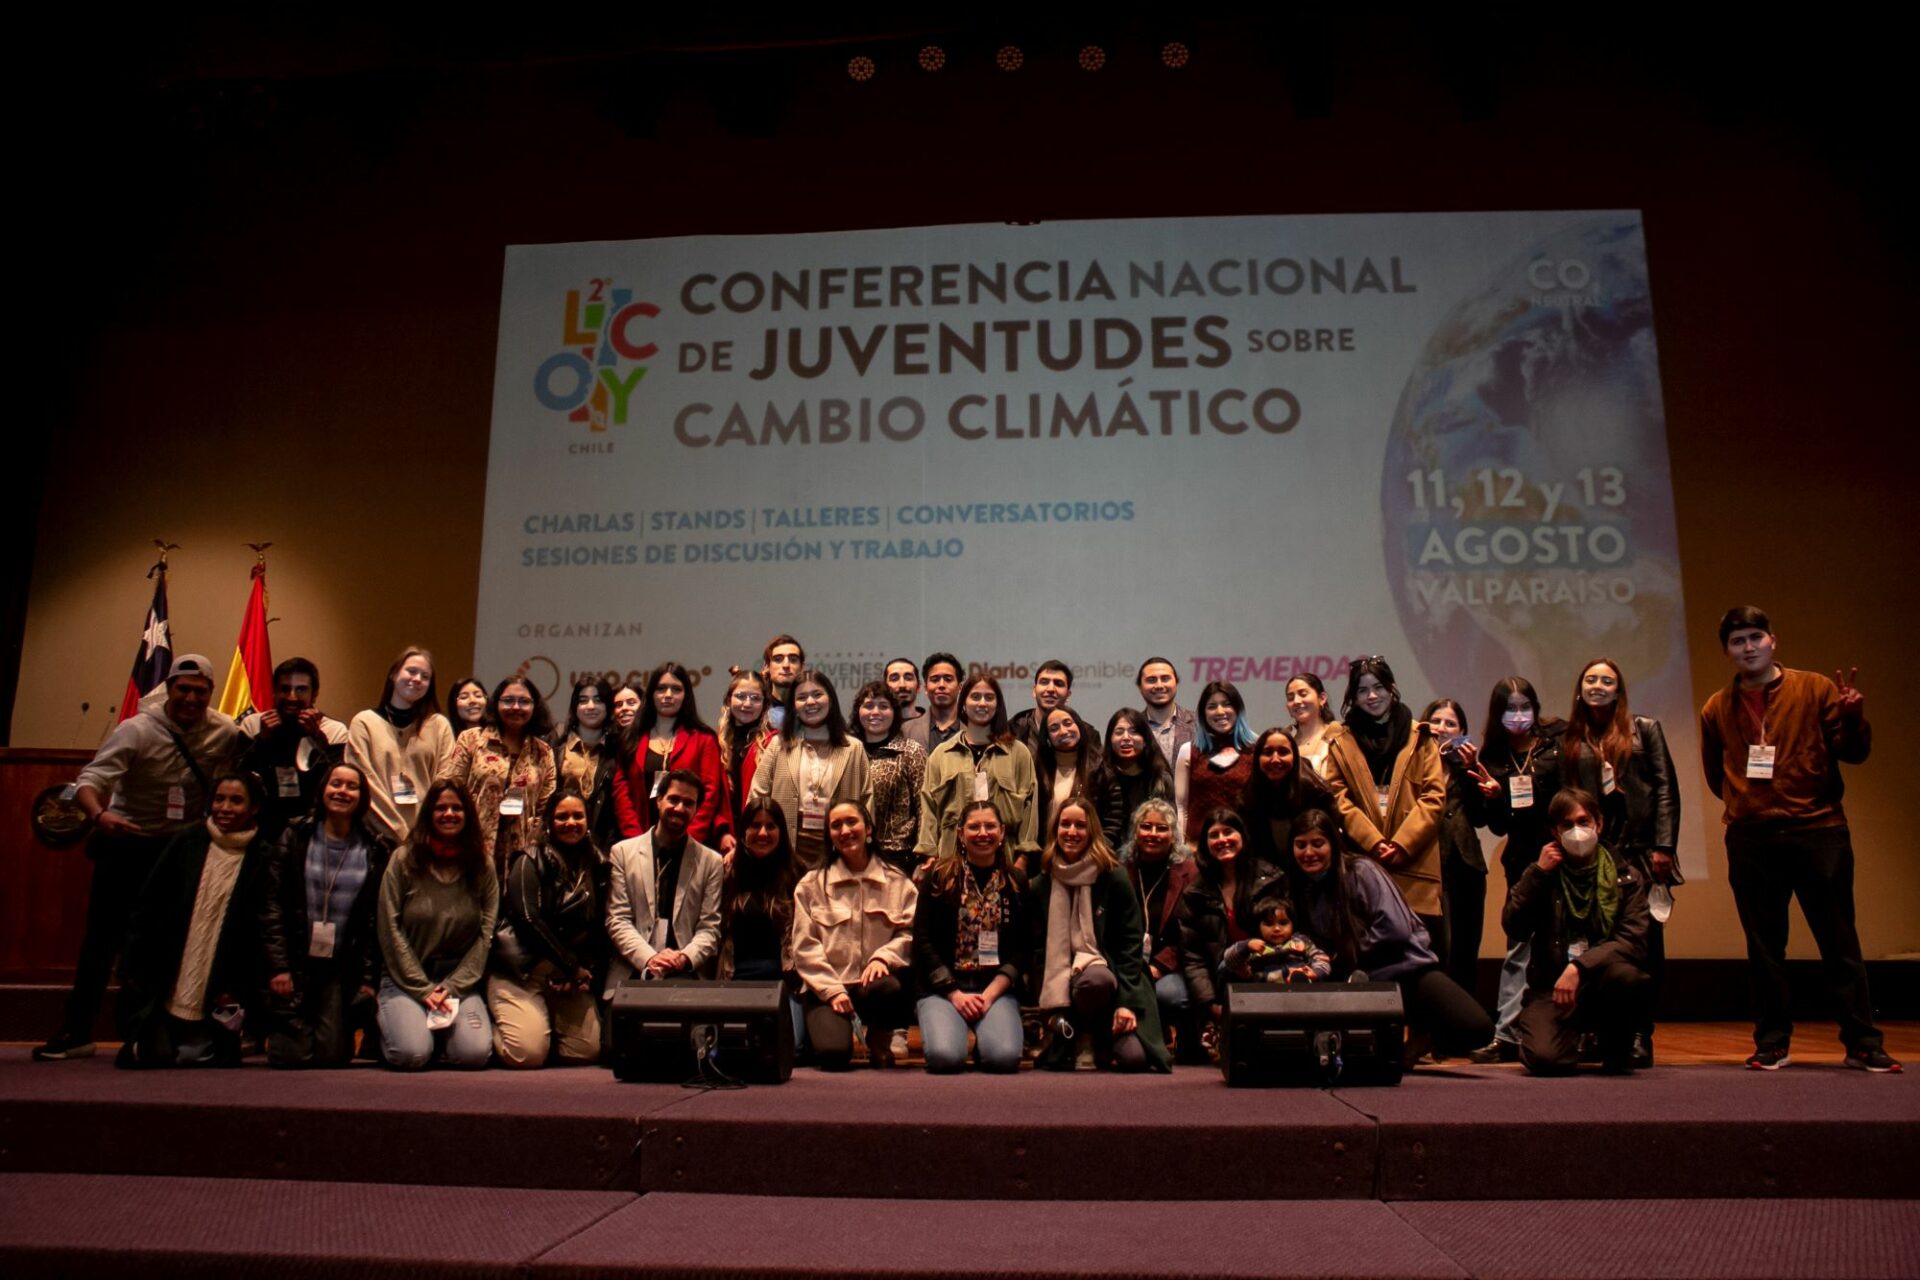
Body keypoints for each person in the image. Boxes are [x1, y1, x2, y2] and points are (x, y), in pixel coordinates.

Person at [1701, 606, 1896, 1072]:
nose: (1748, 647)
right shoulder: (1715, 707)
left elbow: (1854, 753)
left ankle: (1863, 1042)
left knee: (1839, 941)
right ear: (1727, 651)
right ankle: (1771, 1042)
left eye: (1755, 637)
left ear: (1773, 640)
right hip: (1751, 837)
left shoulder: (1815, 688)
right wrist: (1747, 801)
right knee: (1764, 948)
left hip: (1818, 830)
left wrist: (1852, 718)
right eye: (1737, 641)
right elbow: (1716, 775)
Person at [37, 653, 240, 1061]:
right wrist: (100, 815)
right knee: (102, 941)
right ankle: (76, 1031)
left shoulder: (224, 731)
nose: (190, 698)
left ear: (211, 693)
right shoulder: (136, 730)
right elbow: (89, 782)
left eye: (200, 691)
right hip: (129, 842)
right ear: (168, 688)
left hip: (181, 851)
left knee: (168, 944)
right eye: (183, 689)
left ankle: (154, 1030)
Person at [1285, 808, 1494, 1063]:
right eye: (1300, 845)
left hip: (1407, 971)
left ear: (1333, 843)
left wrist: (1347, 953)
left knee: (1478, 1029)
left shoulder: (1362, 870)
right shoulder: (1301, 891)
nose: (1309, 853)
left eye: (1318, 844)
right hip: (1355, 984)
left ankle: (1422, 1031)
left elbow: (1396, 929)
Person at [1561, 658, 1680, 1067]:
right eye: (1590, 679)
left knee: (1645, 949)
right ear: (1580, 689)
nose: (1598, 685)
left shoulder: (1644, 730)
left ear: (1618, 690)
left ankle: (1639, 1034)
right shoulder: (1571, 737)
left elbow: (1666, 788)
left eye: (1607, 680)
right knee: (1591, 944)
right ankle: (1595, 1031)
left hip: (1642, 854)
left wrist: (1664, 845)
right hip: (1592, 856)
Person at [114, 771, 274, 1067]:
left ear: (254, 808)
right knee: (154, 1057)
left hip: (221, 988)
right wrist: (131, 965)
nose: (225, 808)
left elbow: (256, 934)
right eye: (220, 799)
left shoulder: (263, 857)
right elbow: (147, 906)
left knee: (204, 1058)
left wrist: (236, 988)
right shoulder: (187, 841)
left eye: (236, 801)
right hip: (167, 977)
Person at [1503, 787, 1652, 1075]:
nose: (1577, 830)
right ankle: (1568, 1041)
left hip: (1600, 984)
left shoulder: (1627, 877)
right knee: (1546, 1060)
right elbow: (1515, 927)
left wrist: (1579, 968)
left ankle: (1613, 1046)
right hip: (1550, 988)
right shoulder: (1542, 873)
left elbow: (1632, 941)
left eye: (1583, 822)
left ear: (1599, 823)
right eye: (1567, 825)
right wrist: (1537, 874)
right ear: (1555, 832)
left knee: (1630, 978)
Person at [260, 762, 394, 1068]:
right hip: (296, 960)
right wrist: (278, 966)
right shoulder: (295, 835)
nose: (342, 792)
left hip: (340, 966)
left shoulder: (374, 848)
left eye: (351, 787)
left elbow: (375, 921)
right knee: (290, 1056)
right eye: (336, 784)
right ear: (323, 790)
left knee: (332, 1056)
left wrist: (368, 979)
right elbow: (272, 905)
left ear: (363, 797)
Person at [1030, 798, 1170, 1072]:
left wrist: (1127, 1004)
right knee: (1094, 982)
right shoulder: (1040, 884)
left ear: (1092, 831)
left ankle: (1099, 1037)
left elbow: (1131, 946)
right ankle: (1082, 1037)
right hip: (1062, 986)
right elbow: (1036, 952)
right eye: (1065, 824)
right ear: (1054, 830)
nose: (1072, 832)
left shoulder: (1113, 877)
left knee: (1135, 1060)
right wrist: (1048, 1009)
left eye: (1080, 825)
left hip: (1116, 981)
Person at [1468, 675, 1566, 1064]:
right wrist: (1494, 797)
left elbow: (1564, 798)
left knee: (1573, 940)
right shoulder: (1492, 756)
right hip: (1522, 860)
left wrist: (1506, 788)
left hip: (1563, 852)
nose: (1519, 716)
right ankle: (1506, 1033)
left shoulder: (1555, 744)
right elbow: (1495, 826)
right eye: (1510, 709)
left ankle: (1582, 1028)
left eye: (1526, 707)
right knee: (1518, 946)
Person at [1318, 657, 1447, 947]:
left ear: (1392, 688)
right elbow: (1337, 797)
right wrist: (1373, 842)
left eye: (1378, 687)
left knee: (1422, 954)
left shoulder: (1420, 736)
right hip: (1365, 861)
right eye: (1362, 690)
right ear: (1353, 697)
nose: (1372, 696)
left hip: (1414, 860)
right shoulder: (1341, 739)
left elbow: (1434, 796)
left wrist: (1401, 843)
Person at [375, 781, 499, 1070]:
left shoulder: (482, 865)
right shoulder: (403, 860)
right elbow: (389, 928)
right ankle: (397, 1028)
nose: (449, 814)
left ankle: (436, 1032)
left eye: (457, 808)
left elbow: (486, 934)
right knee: (412, 1054)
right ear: (429, 813)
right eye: (441, 808)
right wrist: (421, 989)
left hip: (458, 981)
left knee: (474, 1055)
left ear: (468, 814)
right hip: (405, 979)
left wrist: (453, 986)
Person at [790, 800, 917, 1069]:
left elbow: (910, 933)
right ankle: (834, 1030)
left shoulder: (897, 882)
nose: (845, 830)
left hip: (872, 987)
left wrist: (884, 957)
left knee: (890, 986)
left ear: (868, 828)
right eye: (836, 826)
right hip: (827, 987)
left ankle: (879, 1039)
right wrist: (833, 991)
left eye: (852, 822)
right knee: (833, 1056)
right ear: (829, 836)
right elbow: (804, 947)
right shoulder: (811, 885)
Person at [489, 786, 608, 1068]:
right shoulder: (527, 859)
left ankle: (541, 1022)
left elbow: (599, 928)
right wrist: (570, 966)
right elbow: (528, 920)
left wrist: (577, 972)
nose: (571, 823)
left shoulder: (598, 865)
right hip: (521, 972)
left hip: (566, 975)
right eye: (562, 817)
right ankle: (489, 1024)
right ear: (549, 823)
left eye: (578, 816)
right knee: (526, 1055)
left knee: (586, 1051)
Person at [913, 801, 1027, 1074]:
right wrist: (954, 994)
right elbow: (922, 940)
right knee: (944, 1059)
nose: (983, 833)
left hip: (994, 989)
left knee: (1004, 1059)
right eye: (974, 827)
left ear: (1002, 833)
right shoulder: (938, 878)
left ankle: (986, 1040)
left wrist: (988, 996)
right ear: (961, 834)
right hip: (944, 989)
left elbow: (1023, 946)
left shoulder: (1016, 881)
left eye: (990, 826)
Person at [604, 770, 726, 990]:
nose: (679, 808)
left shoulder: (711, 862)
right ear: (659, 800)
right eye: (673, 799)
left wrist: (682, 958)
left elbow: (710, 928)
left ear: (696, 810)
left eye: (688, 803)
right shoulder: (622, 853)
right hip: (633, 968)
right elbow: (618, 920)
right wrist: (651, 958)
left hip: (685, 971)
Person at [1177, 808, 1288, 1036]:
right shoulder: (1195, 893)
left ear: (1242, 836)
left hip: (1268, 975)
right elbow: (1193, 958)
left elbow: (1286, 935)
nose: (1222, 840)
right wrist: (1209, 1003)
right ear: (1205, 844)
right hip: (1220, 981)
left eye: (1228, 832)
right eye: (1214, 835)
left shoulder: (1271, 879)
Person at [749, 668, 871, 869]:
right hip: (786, 844)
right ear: (794, 706)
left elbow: (867, 801)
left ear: (830, 699)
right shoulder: (778, 745)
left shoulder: (853, 748)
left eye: (817, 695)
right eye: (802, 697)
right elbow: (757, 794)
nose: (810, 702)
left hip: (839, 843)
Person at [917, 673, 1039, 870]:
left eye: (989, 697)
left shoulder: (1018, 753)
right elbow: (929, 809)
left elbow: (1030, 808)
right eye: (975, 697)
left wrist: (1023, 857)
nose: (982, 703)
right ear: (963, 703)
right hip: (950, 862)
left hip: (1006, 863)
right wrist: (929, 854)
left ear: (998, 705)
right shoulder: (941, 754)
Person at [439, 674, 558, 874]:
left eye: (524, 702)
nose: (516, 707)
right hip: (472, 846)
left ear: (534, 707)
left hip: (522, 854)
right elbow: (449, 790)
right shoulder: (471, 740)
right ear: (496, 703)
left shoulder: (543, 751)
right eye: (508, 700)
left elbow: (545, 808)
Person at [1421, 698, 1499, 1000]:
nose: (1442, 728)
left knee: (1465, 947)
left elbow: (1481, 819)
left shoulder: (1471, 768)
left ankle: (1462, 1027)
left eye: (1450, 723)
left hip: (1466, 866)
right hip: (1427, 866)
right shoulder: (1413, 765)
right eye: (1437, 721)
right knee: (1435, 947)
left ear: (1462, 731)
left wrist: (1472, 772)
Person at [718, 799, 807, 1053]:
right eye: (755, 826)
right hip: (735, 976)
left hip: (784, 979)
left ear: (782, 830)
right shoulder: (727, 872)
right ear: (743, 831)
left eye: (771, 826)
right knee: (730, 1048)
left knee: (793, 1048)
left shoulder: (798, 873)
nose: (763, 833)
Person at [346, 646, 456, 850]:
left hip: (425, 840)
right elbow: (364, 782)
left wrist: (422, 833)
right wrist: (400, 835)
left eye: (425, 676)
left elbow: (444, 781)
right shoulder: (364, 723)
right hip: (375, 838)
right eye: (411, 671)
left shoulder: (439, 726)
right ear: (394, 674)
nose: (417, 679)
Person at [612, 662, 730, 850]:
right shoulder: (631, 738)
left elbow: (709, 793)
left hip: (691, 844)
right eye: (661, 689)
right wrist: (635, 840)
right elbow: (621, 791)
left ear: (686, 695)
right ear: (651, 694)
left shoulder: (704, 739)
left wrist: (688, 840)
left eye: (676, 689)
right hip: (638, 842)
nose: (668, 695)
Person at [1120, 797, 1202, 1065]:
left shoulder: (1189, 872)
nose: (1153, 834)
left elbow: (1190, 933)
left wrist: (1158, 967)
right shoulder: (1120, 870)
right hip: (1127, 967)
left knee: (1172, 995)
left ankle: (1183, 1039)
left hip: (1168, 967)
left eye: (1161, 828)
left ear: (1173, 835)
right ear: (1135, 832)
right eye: (1146, 827)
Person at [236, 657, 349, 843]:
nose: (292, 697)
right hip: (261, 826)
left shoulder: (334, 730)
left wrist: (316, 740)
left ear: (314, 695)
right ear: (274, 692)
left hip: (312, 828)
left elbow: (334, 785)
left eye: (301, 689)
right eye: (285, 689)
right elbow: (239, 778)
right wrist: (262, 741)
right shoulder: (253, 725)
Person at [1238, 727, 1341, 871]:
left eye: (1283, 752)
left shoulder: (1317, 795)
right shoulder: (1248, 799)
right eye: (1267, 753)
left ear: (1295, 756)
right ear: (1257, 758)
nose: (1275, 759)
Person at [851, 680, 927, 874]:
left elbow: (924, 808)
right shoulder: (848, 751)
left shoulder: (910, 751)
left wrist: (923, 857)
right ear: (858, 712)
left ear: (894, 713)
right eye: (868, 706)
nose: (875, 712)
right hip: (852, 852)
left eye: (883, 706)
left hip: (899, 856)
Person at [1174, 680, 1257, 847]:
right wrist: (1181, 850)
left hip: (1245, 849)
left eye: (1227, 704)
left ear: (1238, 709)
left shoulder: (1257, 749)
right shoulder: (1188, 751)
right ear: (1203, 714)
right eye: (1212, 706)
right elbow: (1181, 808)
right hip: (1198, 849)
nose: (1220, 711)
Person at [552, 676, 622, 850]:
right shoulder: (557, 751)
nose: (590, 706)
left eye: (598, 700)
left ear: (608, 706)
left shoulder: (620, 751)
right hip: (561, 842)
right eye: (583, 701)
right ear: (575, 707)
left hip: (604, 845)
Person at [1095, 708, 1174, 850]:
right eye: (1119, 732)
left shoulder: (1160, 778)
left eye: (1134, 732)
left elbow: (1169, 824)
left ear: (1145, 740)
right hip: (1105, 855)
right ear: (1109, 739)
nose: (1126, 738)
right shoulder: (1099, 777)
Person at [1219, 898, 1332, 985]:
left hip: (1300, 993)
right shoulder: (1253, 946)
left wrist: (1316, 973)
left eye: (1283, 923)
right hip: (1263, 995)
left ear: (1293, 924)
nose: (1277, 929)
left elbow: (1321, 958)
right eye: (1269, 924)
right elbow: (1228, 961)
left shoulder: (1302, 942)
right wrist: (1245, 946)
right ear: (1258, 926)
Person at [1035, 705, 1105, 844]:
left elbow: (1113, 817)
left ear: (1079, 726)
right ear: (1047, 737)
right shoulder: (1037, 769)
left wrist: (1099, 848)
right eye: (1054, 728)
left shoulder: (1099, 767)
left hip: (1091, 854)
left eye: (1068, 723)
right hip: (1046, 855)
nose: (1063, 731)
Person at [718, 670, 775, 840]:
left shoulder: (773, 743)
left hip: (760, 834)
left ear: (765, 705)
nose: (747, 704)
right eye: (741, 696)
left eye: (755, 698)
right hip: (723, 835)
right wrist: (722, 832)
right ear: (729, 700)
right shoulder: (717, 742)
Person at [1009, 659, 1098, 758]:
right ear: (1034, 691)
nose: (1051, 689)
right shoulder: (1011, 731)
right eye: (1044, 682)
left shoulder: (1089, 735)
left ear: (1068, 695)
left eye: (1058, 684)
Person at [1137, 656, 1196, 770]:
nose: (1159, 685)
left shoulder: (1198, 724)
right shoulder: (1133, 727)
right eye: (1151, 680)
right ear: (1140, 687)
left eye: (1165, 679)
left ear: (1176, 683)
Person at [904, 651, 964, 754]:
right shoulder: (906, 731)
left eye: (948, 679)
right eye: (935, 679)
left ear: (960, 687)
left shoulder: (974, 728)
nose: (941, 685)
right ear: (925, 688)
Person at [1284, 673, 1340, 779]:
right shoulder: (1286, 742)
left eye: (1303, 694)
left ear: (1322, 698)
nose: (1296, 701)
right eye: (1290, 698)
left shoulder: (1339, 736)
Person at [761, 634, 805, 734]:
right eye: (778, 659)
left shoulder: (811, 708)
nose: (786, 665)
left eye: (793, 660)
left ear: (802, 667)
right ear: (767, 666)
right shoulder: (756, 709)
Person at [885, 657, 924, 725]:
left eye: (908, 678)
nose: (902, 685)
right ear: (885, 687)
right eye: (894, 679)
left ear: (919, 686)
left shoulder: (932, 724)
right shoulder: (878, 725)